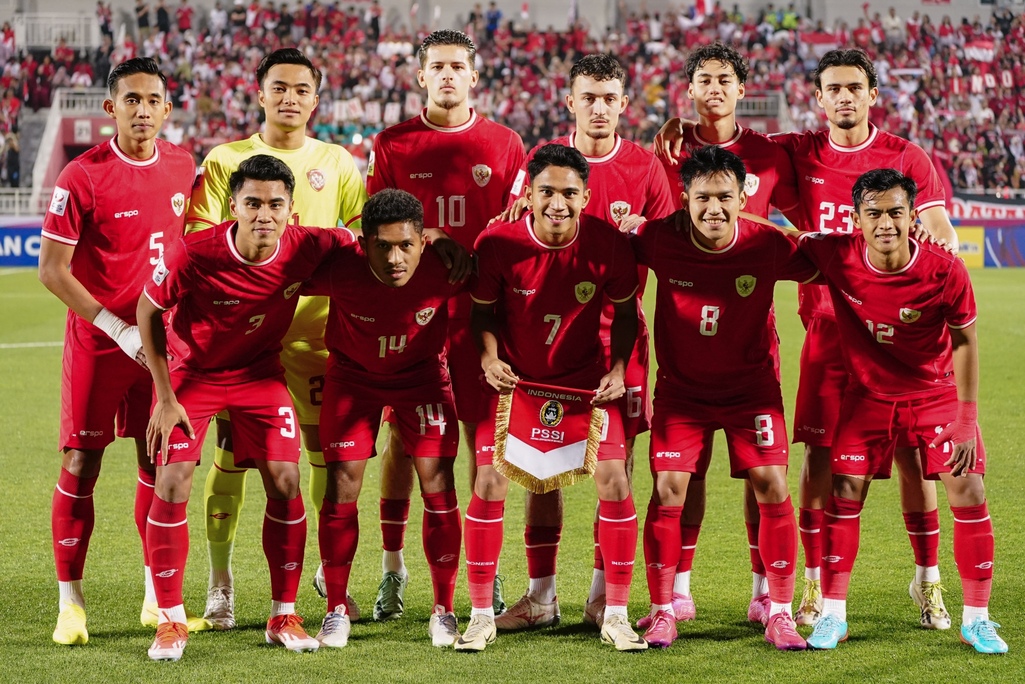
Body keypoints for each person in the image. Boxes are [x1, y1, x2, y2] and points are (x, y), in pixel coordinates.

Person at [655, 48, 958, 629]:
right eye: (833, 89)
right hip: (827, 332)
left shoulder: (907, 157)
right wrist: (682, 127)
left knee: (914, 464)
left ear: (873, 94)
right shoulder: (798, 152)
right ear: (818, 99)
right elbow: (733, 150)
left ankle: (928, 584)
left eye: (854, 87)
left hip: (899, 340)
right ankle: (813, 588)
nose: (844, 98)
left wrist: (934, 258)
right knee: (818, 461)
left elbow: (940, 228)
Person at [139, 155, 353, 662]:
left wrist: (430, 240)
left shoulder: (310, 244)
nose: (264, 214)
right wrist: (165, 396)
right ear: (232, 206)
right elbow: (148, 309)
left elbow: (369, 246)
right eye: (252, 203)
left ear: (291, 210)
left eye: (275, 204)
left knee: (285, 479)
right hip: (193, 377)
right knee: (172, 481)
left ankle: (283, 613)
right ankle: (170, 621)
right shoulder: (194, 252)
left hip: (259, 375)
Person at [187, 47, 367, 630]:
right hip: (239, 346)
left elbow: (358, 240)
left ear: (317, 98)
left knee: (319, 460)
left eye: (301, 89)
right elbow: (203, 240)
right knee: (232, 461)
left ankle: (319, 570)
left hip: (315, 338)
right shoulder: (224, 160)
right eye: (279, 88)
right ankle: (220, 581)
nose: (290, 98)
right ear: (259, 93)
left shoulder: (338, 162)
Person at [497, 52, 675, 632]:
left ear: (625, 104)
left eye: (609, 99)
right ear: (569, 101)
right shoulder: (541, 162)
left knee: (614, 470)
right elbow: (515, 232)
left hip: (616, 350)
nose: (599, 109)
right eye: (588, 98)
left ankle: (603, 597)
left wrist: (640, 234)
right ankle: (542, 595)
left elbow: (669, 247)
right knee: (538, 468)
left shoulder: (646, 168)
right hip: (542, 350)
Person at [797, 168, 1006, 655]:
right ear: (856, 218)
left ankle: (977, 618)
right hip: (867, 398)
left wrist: (967, 418)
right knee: (844, 493)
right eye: (874, 213)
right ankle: (833, 615)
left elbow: (965, 341)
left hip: (933, 393)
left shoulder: (945, 268)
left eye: (896, 212)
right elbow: (771, 239)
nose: (885, 223)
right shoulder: (836, 253)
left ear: (914, 216)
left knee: (969, 488)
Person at [37, 57, 202, 646]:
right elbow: (52, 271)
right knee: (81, 465)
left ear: (166, 106)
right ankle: (70, 605)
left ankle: (157, 598)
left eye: (152, 99)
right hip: (101, 344)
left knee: (159, 465)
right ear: (111, 109)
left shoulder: (185, 166)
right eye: (130, 100)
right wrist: (117, 327)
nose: (141, 109)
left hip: (161, 346)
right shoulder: (82, 176)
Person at [459, 143, 646, 653]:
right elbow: (481, 314)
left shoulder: (608, 243)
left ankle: (617, 613)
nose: (557, 203)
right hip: (514, 384)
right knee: (492, 481)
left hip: (583, 385)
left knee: (613, 478)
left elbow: (626, 314)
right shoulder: (498, 242)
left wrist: (617, 368)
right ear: (530, 193)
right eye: (547, 191)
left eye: (569, 192)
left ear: (587, 196)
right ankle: (480, 615)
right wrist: (489, 358)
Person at [641, 41, 801, 631]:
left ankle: (770, 596)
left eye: (725, 78)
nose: (714, 87)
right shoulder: (669, 148)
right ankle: (673, 597)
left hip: (753, 363)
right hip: (685, 372)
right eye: (703, 78)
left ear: (741, 88)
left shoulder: (769, 157)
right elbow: (624, 228)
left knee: (763, 475)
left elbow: (819, 245)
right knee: (682, 478)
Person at [365, 29, 524, 621]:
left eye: (459, 66)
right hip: (412, 319)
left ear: (475, 76)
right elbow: (373, 232)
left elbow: (515, 229)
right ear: (421, 76)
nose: (449, 75)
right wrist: (429, 236)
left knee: (489, 451)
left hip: (484, 319)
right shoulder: (393, 144)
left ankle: (488, 567)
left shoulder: (506, 144)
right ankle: (392, 569)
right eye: (438, 66)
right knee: (404, 447)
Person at [303, 189, 467, 649]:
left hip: (423, 381)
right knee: (342, 485)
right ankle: (336, 608)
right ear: (363, 242)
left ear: (422, 241)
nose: (395, 258)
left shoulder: (446, 265)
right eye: (383, 246)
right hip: (352, 380)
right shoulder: (339, 266)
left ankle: (444, 609)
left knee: (438, 484)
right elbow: (279, 266)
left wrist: (446, 237)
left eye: (406, 245)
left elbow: (501, 278)